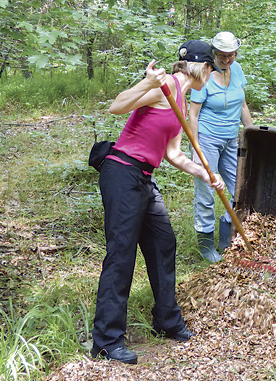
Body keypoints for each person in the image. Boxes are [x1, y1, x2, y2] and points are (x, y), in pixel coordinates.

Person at [90, 40, 225, 365]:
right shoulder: (165, 86)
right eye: (211, 69)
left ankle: (166, 319)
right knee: (122, 254)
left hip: (143, 178)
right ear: (203, 68)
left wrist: (205, 173)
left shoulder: (180, 98)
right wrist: (147, 82)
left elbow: (173, 154)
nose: (211, 76)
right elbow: (117, 106)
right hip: (122, 173)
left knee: (164, 242)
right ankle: (106, 342)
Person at [188, 31, 254, 262]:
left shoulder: (236, 70)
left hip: (231, 139)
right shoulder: (203, 74)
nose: (227, 60)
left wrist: (253, 134)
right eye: (222, 55)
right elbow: (193, 115)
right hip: (207, 139)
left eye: (231, 55)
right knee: (207, 191)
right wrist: (196, 149)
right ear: (214, 53)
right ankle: (206, 247)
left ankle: (227, 239)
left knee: (240, 188)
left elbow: (243, 105)